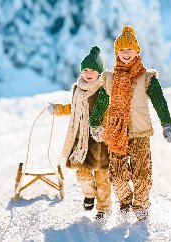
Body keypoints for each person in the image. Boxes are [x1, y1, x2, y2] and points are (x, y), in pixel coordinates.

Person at [89, 26, 171, 221]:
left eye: (130, 49)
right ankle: (125, 200)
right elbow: (102, 102)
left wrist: (167, 124)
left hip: (140, 133)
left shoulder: (147, 77)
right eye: (122, 50)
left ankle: (142, 205)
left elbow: (159, 101)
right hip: (116, 133)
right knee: (118, 177)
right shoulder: (109, 78)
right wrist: (95, 123)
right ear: (116, 52)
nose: (126, 53)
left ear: (137, 51)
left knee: (142, 175)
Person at [48, 46, 111, 219]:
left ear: (99, 72)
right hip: (82, 141)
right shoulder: (78, 89)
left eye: (92, 70)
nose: (88, 73)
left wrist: (103, 127)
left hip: (100, 140)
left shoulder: (104, 89)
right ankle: (89, 194)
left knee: (102, 178)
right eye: (85, 69)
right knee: (82, 174)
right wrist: (59, 109)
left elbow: (110, 112)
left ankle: (104, 209)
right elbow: (74, 109)